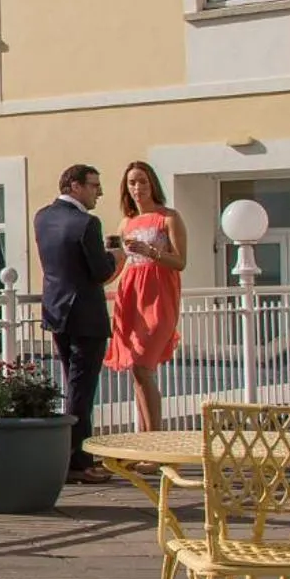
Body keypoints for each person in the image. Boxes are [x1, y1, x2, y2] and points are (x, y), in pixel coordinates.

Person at [34, 164, 124, 484]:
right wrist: (118, 257)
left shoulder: (42, 217)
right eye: (93, 186)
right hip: (86, 315)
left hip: (57, 311)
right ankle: (79, 461)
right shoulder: (87, 223)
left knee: (72, 385)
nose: (98, 192)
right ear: (74, 186)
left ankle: (72, 456)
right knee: (82, 390)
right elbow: (100, 272)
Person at [106, 160, 187, 432]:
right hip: (130, 296)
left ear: (152, 183)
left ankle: (154, 441)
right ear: (125, 189)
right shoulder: (126, 223)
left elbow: (180, 261)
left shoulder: (169, 217)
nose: (137, 187)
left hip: (159, 295)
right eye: (132, 183)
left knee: (142, 367)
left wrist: (149, 250)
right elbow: (118, 266)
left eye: (142, 181)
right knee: (137, 372)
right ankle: (145, 440)